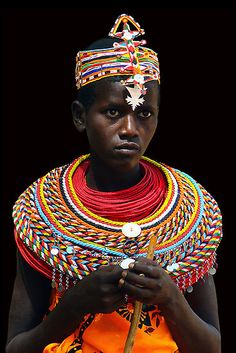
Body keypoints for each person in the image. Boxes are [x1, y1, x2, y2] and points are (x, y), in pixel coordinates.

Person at [6, 13, 222, 353]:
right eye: (112, 112)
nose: (130, 129)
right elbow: (16, 348)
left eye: (144, 113)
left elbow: (211, 347)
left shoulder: (191, 212)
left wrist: (169, 296)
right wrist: (75, 303)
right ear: (80, 116)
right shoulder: (41, 213)